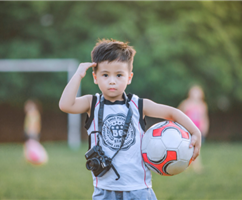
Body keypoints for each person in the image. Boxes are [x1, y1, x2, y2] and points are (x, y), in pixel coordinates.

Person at [59, 39, 201, 200]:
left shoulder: (138, 105)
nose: (112, 80)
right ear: (95, 77)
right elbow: (65, 105)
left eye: (119, 75)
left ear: (129, 77)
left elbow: (172, 113)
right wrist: (78, 75)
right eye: (105, 75)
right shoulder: (92, 103)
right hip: (105, 189)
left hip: (138, 189)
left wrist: (195, 132)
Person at [178, 85, 209, 173]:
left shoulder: (202, 105)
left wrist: (204, 128)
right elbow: (178, 113)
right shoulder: (186, 104)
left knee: (196, 148)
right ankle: (192, 166)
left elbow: (204, 118)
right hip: (187, 129)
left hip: (198, 130)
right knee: (189, 148)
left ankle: (194, 166)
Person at [23, 99, 48, 165]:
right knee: (30, 145)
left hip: (32, 132)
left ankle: (33, 158)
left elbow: (33, 124)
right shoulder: (34, 113)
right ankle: (31, 158)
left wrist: (31, 131)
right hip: (33, 132)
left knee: (31, 145)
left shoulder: (33, 113)